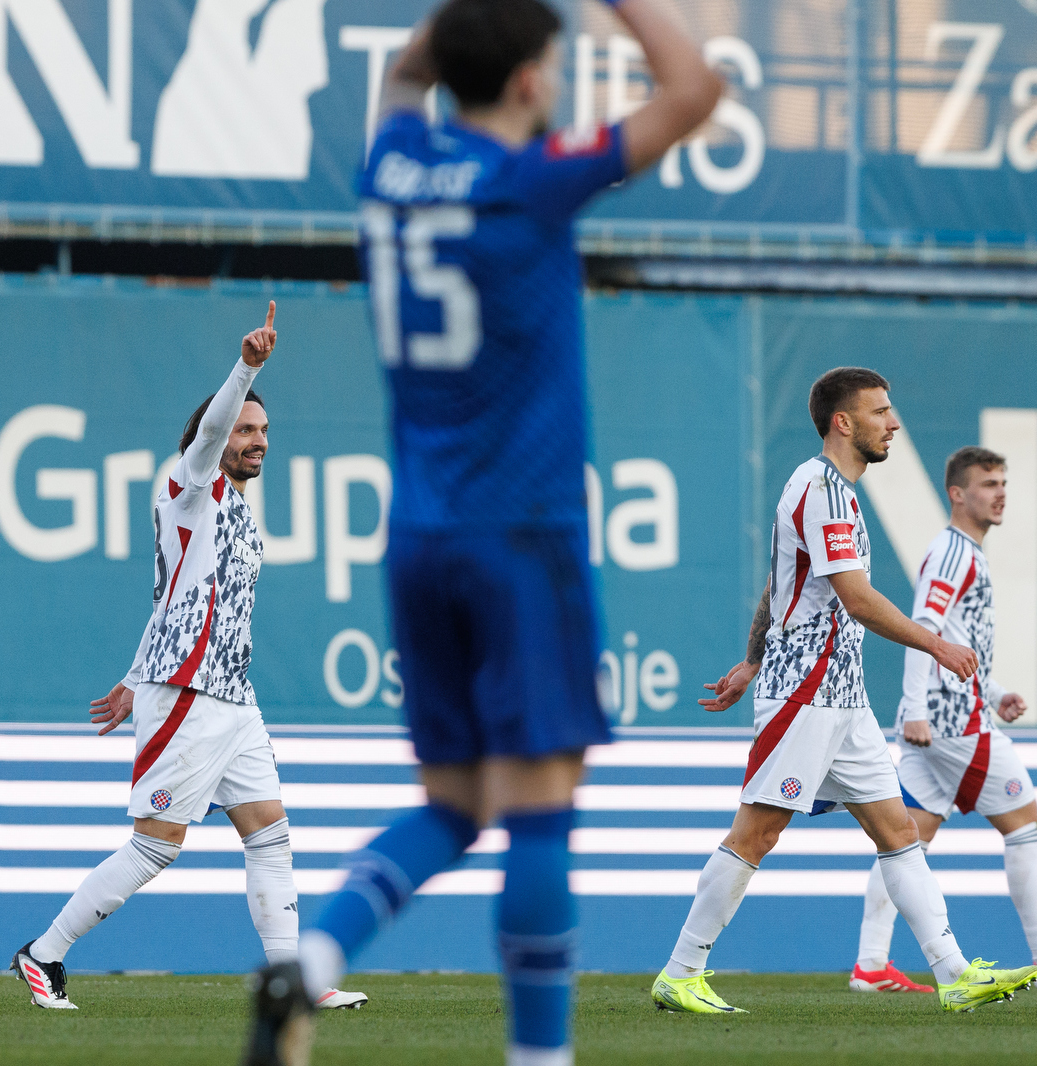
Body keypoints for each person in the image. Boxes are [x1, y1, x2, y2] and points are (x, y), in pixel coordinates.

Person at [243, 2, 723, 1064]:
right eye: (549, 67)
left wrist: (468, 26)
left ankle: (309, 965)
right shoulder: (532, 178)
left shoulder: (392, 166)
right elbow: (695, 92)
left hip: (419, 532)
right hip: (523, 531)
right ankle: (538, 1056)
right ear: (525, 84)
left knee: (457, 804)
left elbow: (406, 75)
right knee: (541, 810)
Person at [651, 368, 1037, 1016]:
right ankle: (682, 970)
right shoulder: (821, 487)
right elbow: (855, 600)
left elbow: (781, 584)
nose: (894, 423)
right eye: (881, 412)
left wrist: (750, 660)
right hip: (805, 692)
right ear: (843, 422)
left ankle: (953, 972)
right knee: (757, 833)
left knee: (898, 833)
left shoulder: (835, 493)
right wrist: (935, 643)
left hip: (842, 697)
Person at [9, 304, 364, 1012]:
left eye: (264, 430)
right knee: (156, 845)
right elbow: (206, 435)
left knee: (270, 834)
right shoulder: (188, 486)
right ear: (217, 437)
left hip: (233, 697)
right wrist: (247, 369)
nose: (259, 440)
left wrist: (130, 678)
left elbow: (170, 603)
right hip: (191, 695)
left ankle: (289, 981)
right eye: (245, 429)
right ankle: (43, 954)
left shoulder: (234, 507)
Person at [850, 447, 1037, 994]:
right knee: (1025, 824)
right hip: (951, 722)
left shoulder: (963, 552)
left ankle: (871, 966)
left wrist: (991, 691)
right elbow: (923, 626)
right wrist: (916, 709)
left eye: (1003, 482)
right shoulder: (953, 554)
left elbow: (951, 639)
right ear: (957, 494)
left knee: (906, 840)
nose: (1000, 492)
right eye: (988, 483)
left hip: (950, 713)